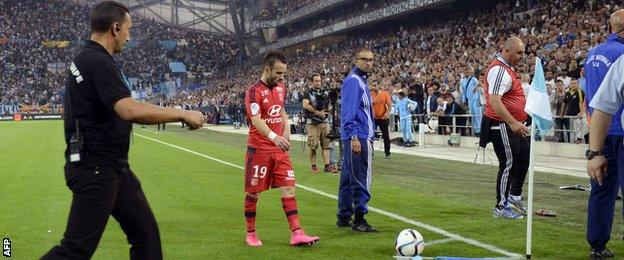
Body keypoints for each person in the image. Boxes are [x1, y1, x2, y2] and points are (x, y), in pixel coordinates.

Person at [42, 2, 205, 259]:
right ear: (115, 28)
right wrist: (181, 113)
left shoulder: (86, 57)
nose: (129, 37)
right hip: (97, 167)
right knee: (75, 250)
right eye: (128, 30)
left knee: (146, 237)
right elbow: (129, 110)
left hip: (111, 166)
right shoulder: (97, 61)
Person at [242, 51, 319, 247]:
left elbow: (282, 111)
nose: (281, 77)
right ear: (267, 69)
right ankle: (251, 233)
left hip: (279, 150)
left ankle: (297, 233)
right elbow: (256, 119)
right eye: (278, 73)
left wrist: (286, 131)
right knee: (253, 194)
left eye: (283, 73)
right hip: (259, 150)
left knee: (289, 187)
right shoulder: (253, 92)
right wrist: (274, 136)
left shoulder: (281, 88)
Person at [584, 9, 624, 259]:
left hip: (599, 129)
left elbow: (593, 96)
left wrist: (594, 148)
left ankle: (597, 245)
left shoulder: (593, 53)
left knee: (601, 188)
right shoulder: (621, 54)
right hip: (618, 130)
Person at [479, 37, 529, 220]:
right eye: (519, 52)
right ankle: (501, 206)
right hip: (501, 124)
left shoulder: (508, 69)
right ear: (507, 51)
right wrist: (513, 122)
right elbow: (494, 101)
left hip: (511, 124)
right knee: (508, 163)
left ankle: (513, 197)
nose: (522, 56)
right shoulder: (499, 70)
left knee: (521, 159)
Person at [337, 48, 377, 232]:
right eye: (364, 59)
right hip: (358, 135)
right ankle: (360, 218)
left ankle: (344, 216)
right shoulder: (355, 82)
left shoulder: (359, 81)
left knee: (347, 177)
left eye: (371, 60)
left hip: (355, 135)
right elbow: (349, 112)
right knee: (360, 177)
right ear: (356, 60)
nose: (368, 63)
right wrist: (354, 136)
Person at [302, 73, 337, 173]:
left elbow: (329, 105)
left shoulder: (325, 92)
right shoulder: (307, 92)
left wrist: (329, 110)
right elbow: (305, 105)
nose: (318, 83)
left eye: (319, 81)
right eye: (316, 81)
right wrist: (317, 112)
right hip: (312, 122)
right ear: (312, 82)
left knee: (326, 145)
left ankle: (327, 166)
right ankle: (313, 166)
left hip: (324, 122)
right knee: (313, 146)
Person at [370, 80, 392, 157]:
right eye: (372, 85)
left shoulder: (384, 94)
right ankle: (371, 151)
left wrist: (387, 113)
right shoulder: (370, 94)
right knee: (370, 134)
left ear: (378, 85)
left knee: (386, 135)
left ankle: (387, 153)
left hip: (383, 118)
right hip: (374, 118)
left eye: (375, 85)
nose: (373, 87)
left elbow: (389, 105)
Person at [460, 66, 482, 136]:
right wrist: (463, 101)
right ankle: (476, 131)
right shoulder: (462, 81)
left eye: (468, 71)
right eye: (465, 71)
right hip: (469, 100)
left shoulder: (474, 79)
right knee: (473, 116)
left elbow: (479, 88)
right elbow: (463, 92)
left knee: (478, 115)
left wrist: (480, 100)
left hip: (476, 99)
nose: (467, 72)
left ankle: (480, 131)